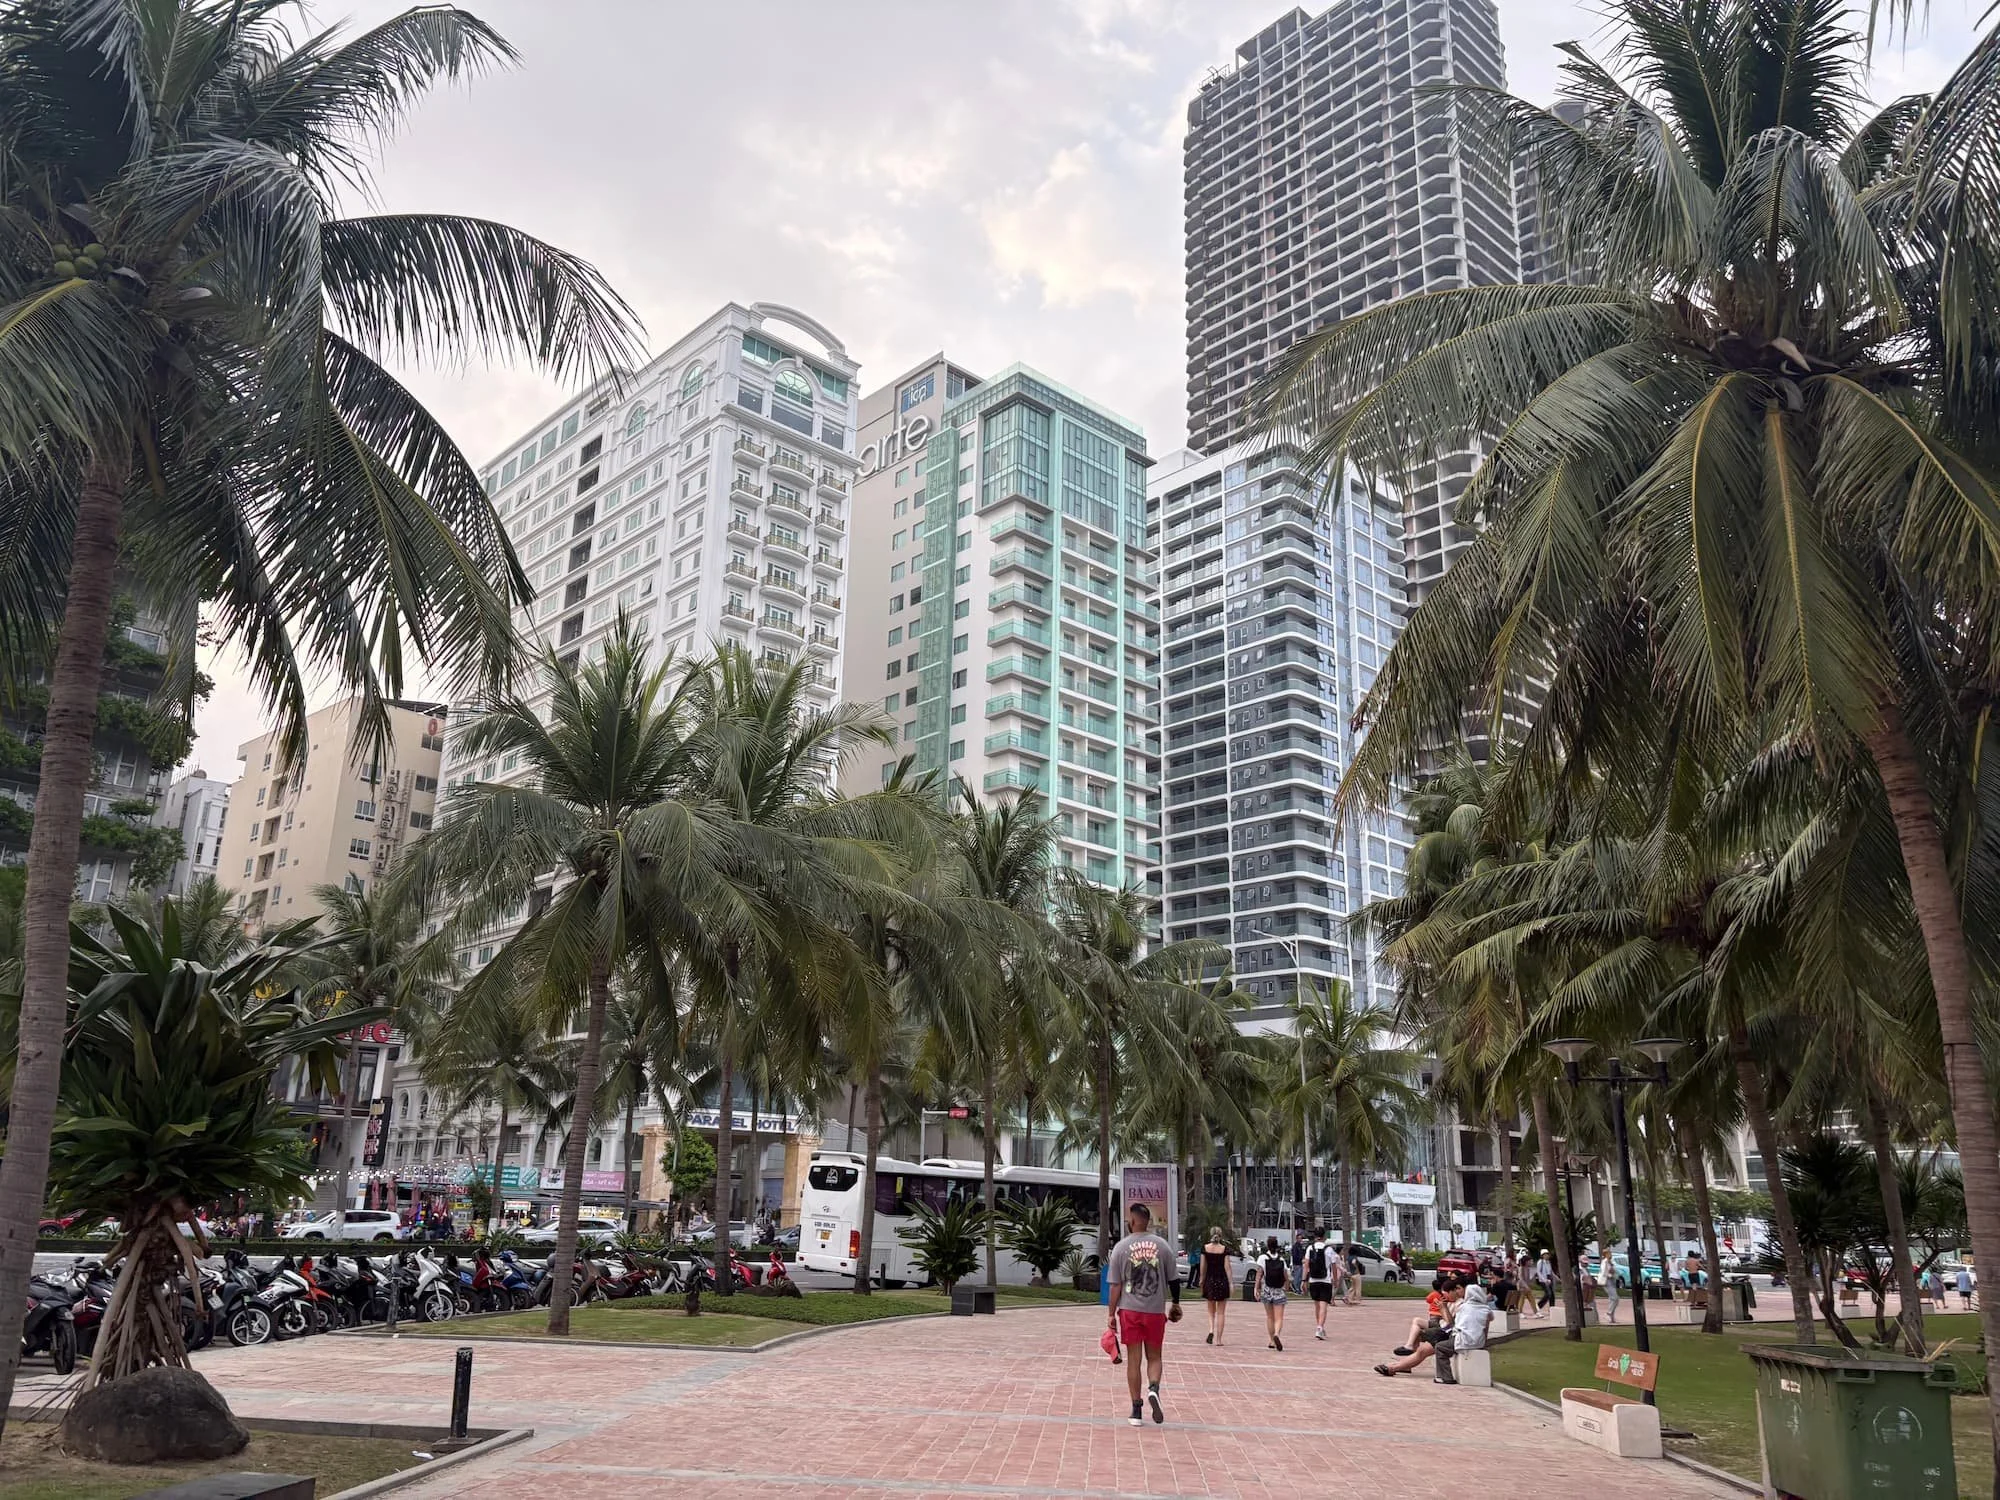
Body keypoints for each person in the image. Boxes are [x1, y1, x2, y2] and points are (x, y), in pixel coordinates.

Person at [1105, 1203, 1183, 1427]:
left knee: (1134, 1360)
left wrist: (1111, 1314)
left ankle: (1136, 1409)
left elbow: (1115, 1286)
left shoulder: (1121, 1248)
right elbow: (1174, 1280)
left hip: (1130, 1310)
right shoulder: (1163, 1247)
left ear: (1134, 1220)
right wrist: (1175, 1303)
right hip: (1154, 1311)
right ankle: (1154, 1388)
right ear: (1147, 1220)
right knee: (1155, 1357)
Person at [1377, 1279, 1494, 1382]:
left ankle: (1395, 1367)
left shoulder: (1463, 1305)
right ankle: (1400, 1364)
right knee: (1421, 1345)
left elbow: (1451, 1323)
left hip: (1451, 1334)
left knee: (1423, 1350)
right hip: (1449, 1332)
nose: (1446, 1296)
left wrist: (1443, 1309)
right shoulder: (1479, 1308)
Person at [1197, 1228, 1235, 1346]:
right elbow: (1227, 1267)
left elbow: (1203, 1267)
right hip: (1222, 1280)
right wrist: (1231, 1283)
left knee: (1210, 1310)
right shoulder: (1224, 1249)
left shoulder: (1205, 1248)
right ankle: (1219, 1339)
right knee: (1221, 1313)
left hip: (1210, 1280)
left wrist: (1201, 1280)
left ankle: (1211, 1330)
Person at [1255, 1234, 1290, 1351]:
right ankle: (1277, 1334)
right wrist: (1287, 1287)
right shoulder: (1281, 1259)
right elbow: (1286, 1276)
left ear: (1267, 1246)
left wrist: (1256, 1288)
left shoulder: (1262, 1258)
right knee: (1279, 1317)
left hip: (1267, 1289)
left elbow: (1259, 1274)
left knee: (1270, 1317)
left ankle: (1271, 1340)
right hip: (1279, 1290)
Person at [1304, 1228, 1337, 1340]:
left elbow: (1306, 1265)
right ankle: (1319, 1327)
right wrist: (1335, 1280)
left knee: (1317, 1306)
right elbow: (1334, 1266)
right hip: (1325, 1280)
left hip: (1313, 1280)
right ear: (1324, 1236)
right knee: (1323, 1306)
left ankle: (1319, 1326)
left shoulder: (1310, 1248)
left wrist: (1304, 1280)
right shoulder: (1329, 1250)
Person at [1533, 1248, 1556, 1318]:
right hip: (1543, 1280)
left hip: (1549, 1278)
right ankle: (1538, 1306)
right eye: (1545, 1254)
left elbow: (1551, 1271)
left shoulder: (1548, 1262)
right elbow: (1538, 1272)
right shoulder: (1540, 1262)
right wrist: (1544, 1279)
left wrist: (1556, 1278)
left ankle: (1552, 1309)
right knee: (1548, 1293)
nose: (1547, 1256)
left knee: (1552, 1295)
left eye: (1547, 1254)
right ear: (1542, 1255)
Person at [1599, 1250, 1620, 1324]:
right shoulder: (1604, 1262)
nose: (1610, 1254)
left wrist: (1614, 1274)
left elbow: (1615, 1271)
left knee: (1613, 1299)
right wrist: (1611, 1274)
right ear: (1605, 1254)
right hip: (1607, 1281)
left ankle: (1611, 1317)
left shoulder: (1611, 1262)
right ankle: (1608, 1313)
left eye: (1610, 1253)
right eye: (1608, 1253)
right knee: (1615, 1298)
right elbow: (1604, 1272)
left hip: (1612, 1281)